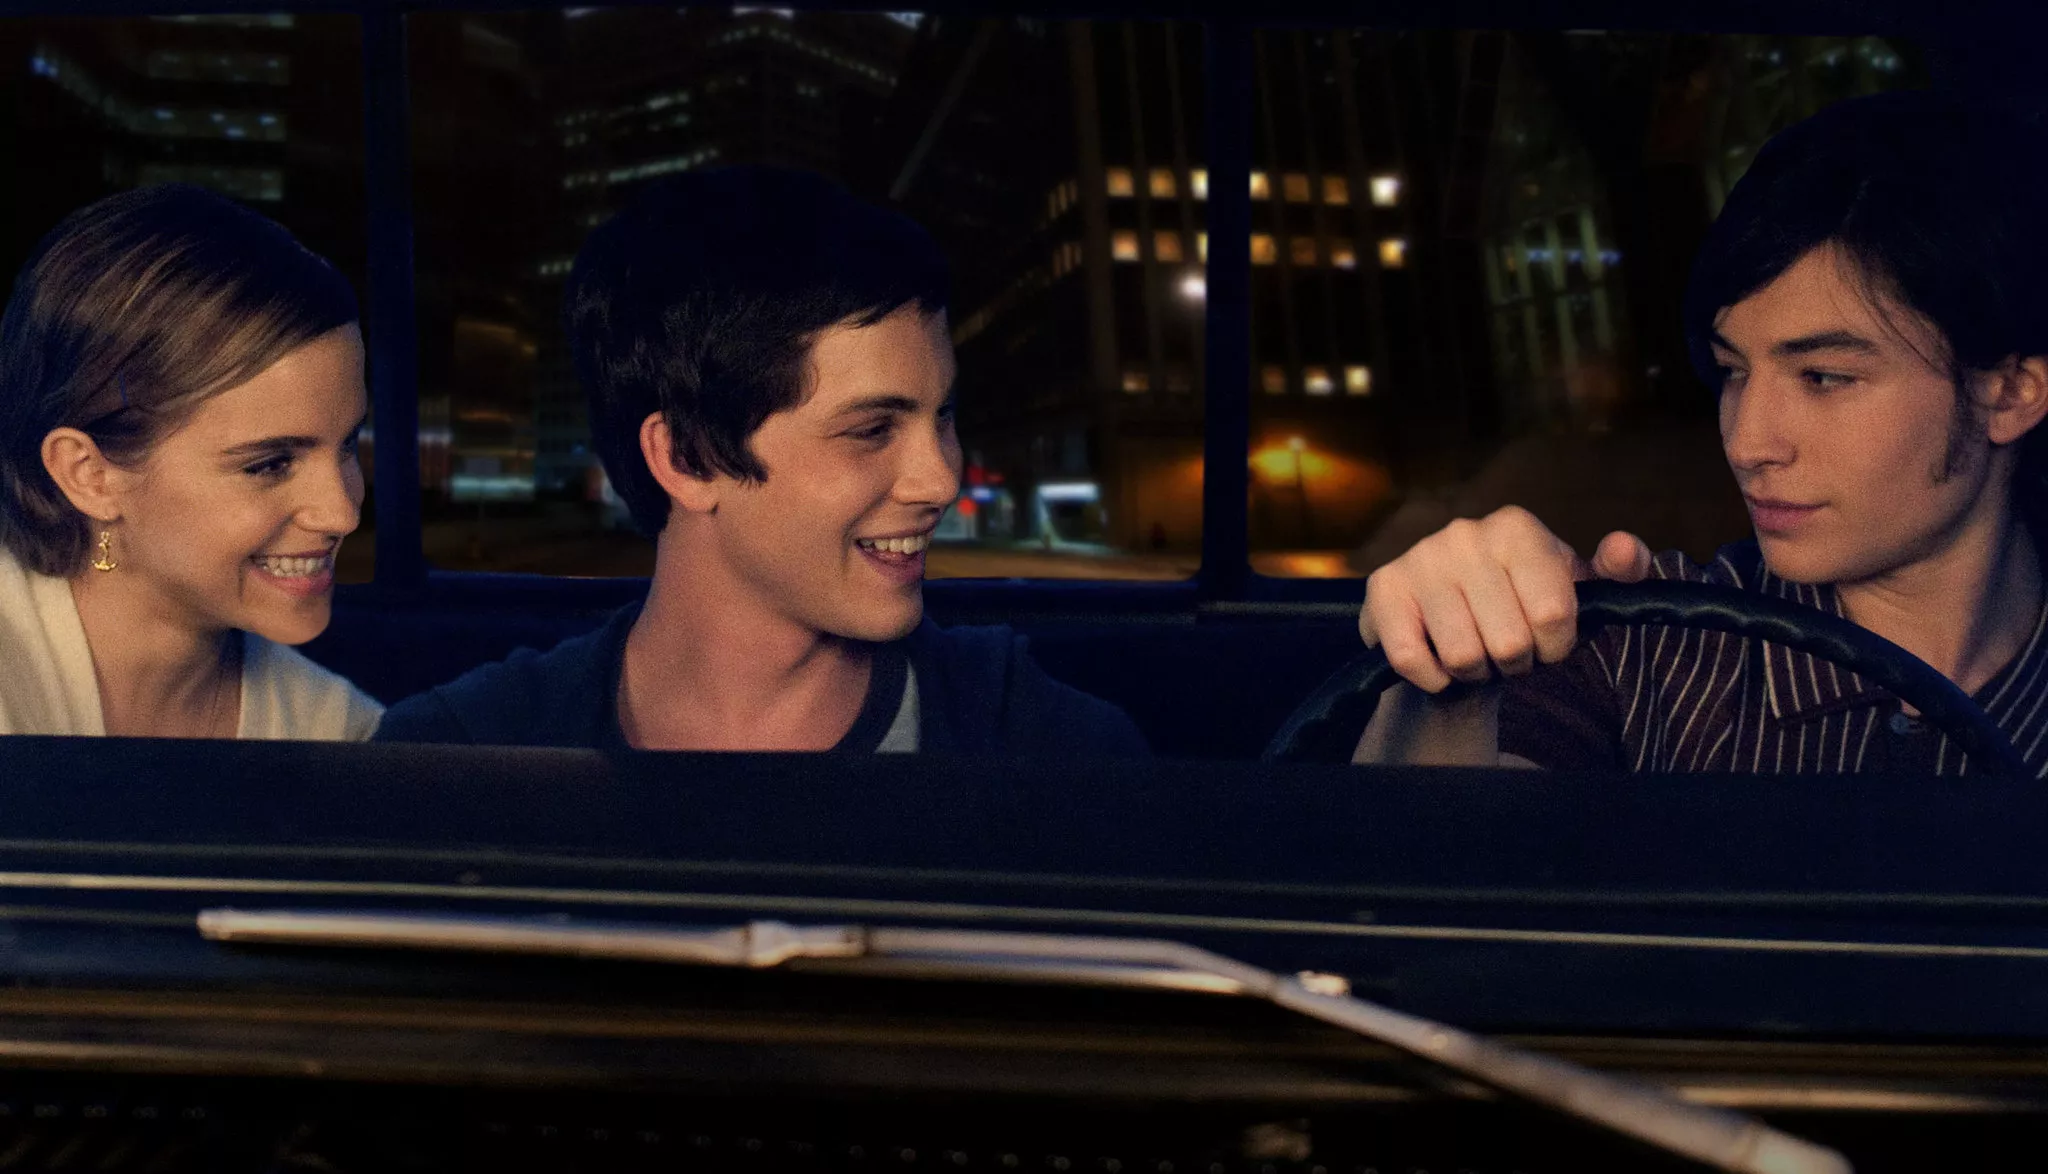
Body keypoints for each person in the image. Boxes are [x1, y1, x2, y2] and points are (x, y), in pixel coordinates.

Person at [1356, 90, 2048, 775]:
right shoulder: (1642, 641)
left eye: (1824, 377)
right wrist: (1450, 680)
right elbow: (1443, 843)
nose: (1747, 444)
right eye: (1732, 370)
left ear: (2011, 394)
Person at [374, 166, 1147, 755]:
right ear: (686, 457)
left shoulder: (1044, 746)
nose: (941, 478)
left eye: (941, 415)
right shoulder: (458, 759)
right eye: (872, 429)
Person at [0, 185, 380, 740]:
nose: (342, 513)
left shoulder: (336, 731)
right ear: (89, 475)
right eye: (269, 464)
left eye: (347, 444)